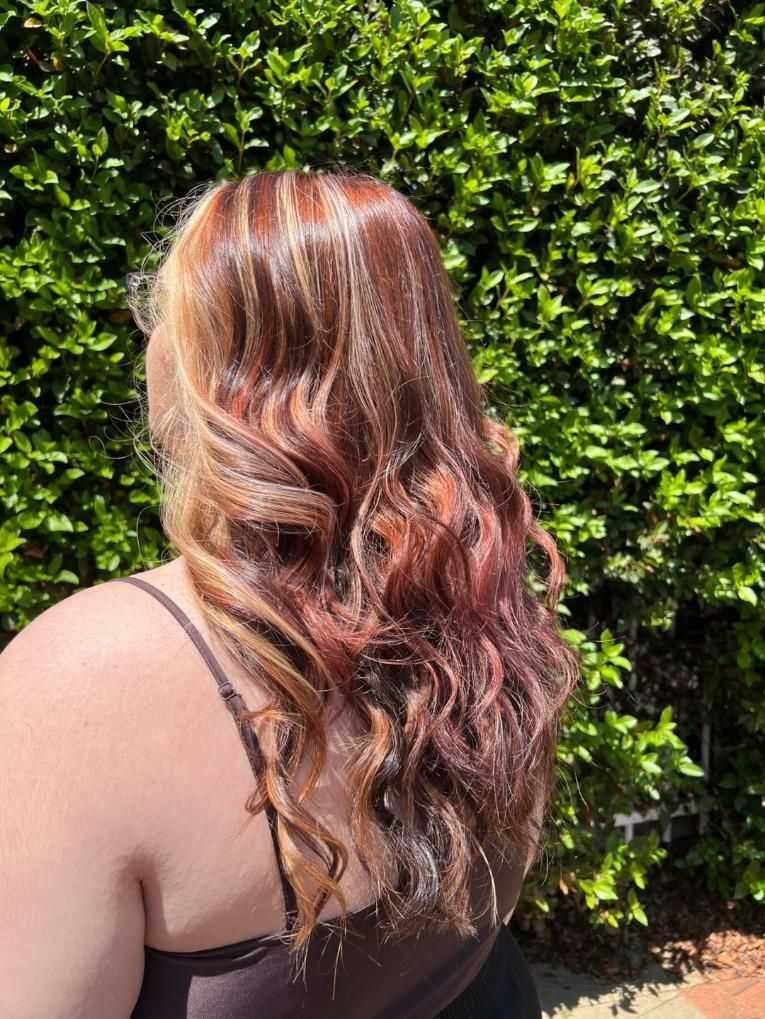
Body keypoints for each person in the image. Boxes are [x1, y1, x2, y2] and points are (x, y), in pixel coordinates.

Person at [0, 168, 580, 1017]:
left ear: (225, 367)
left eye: (159, 309)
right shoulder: (484, 598)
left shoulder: (79, 681)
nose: (148, 338)